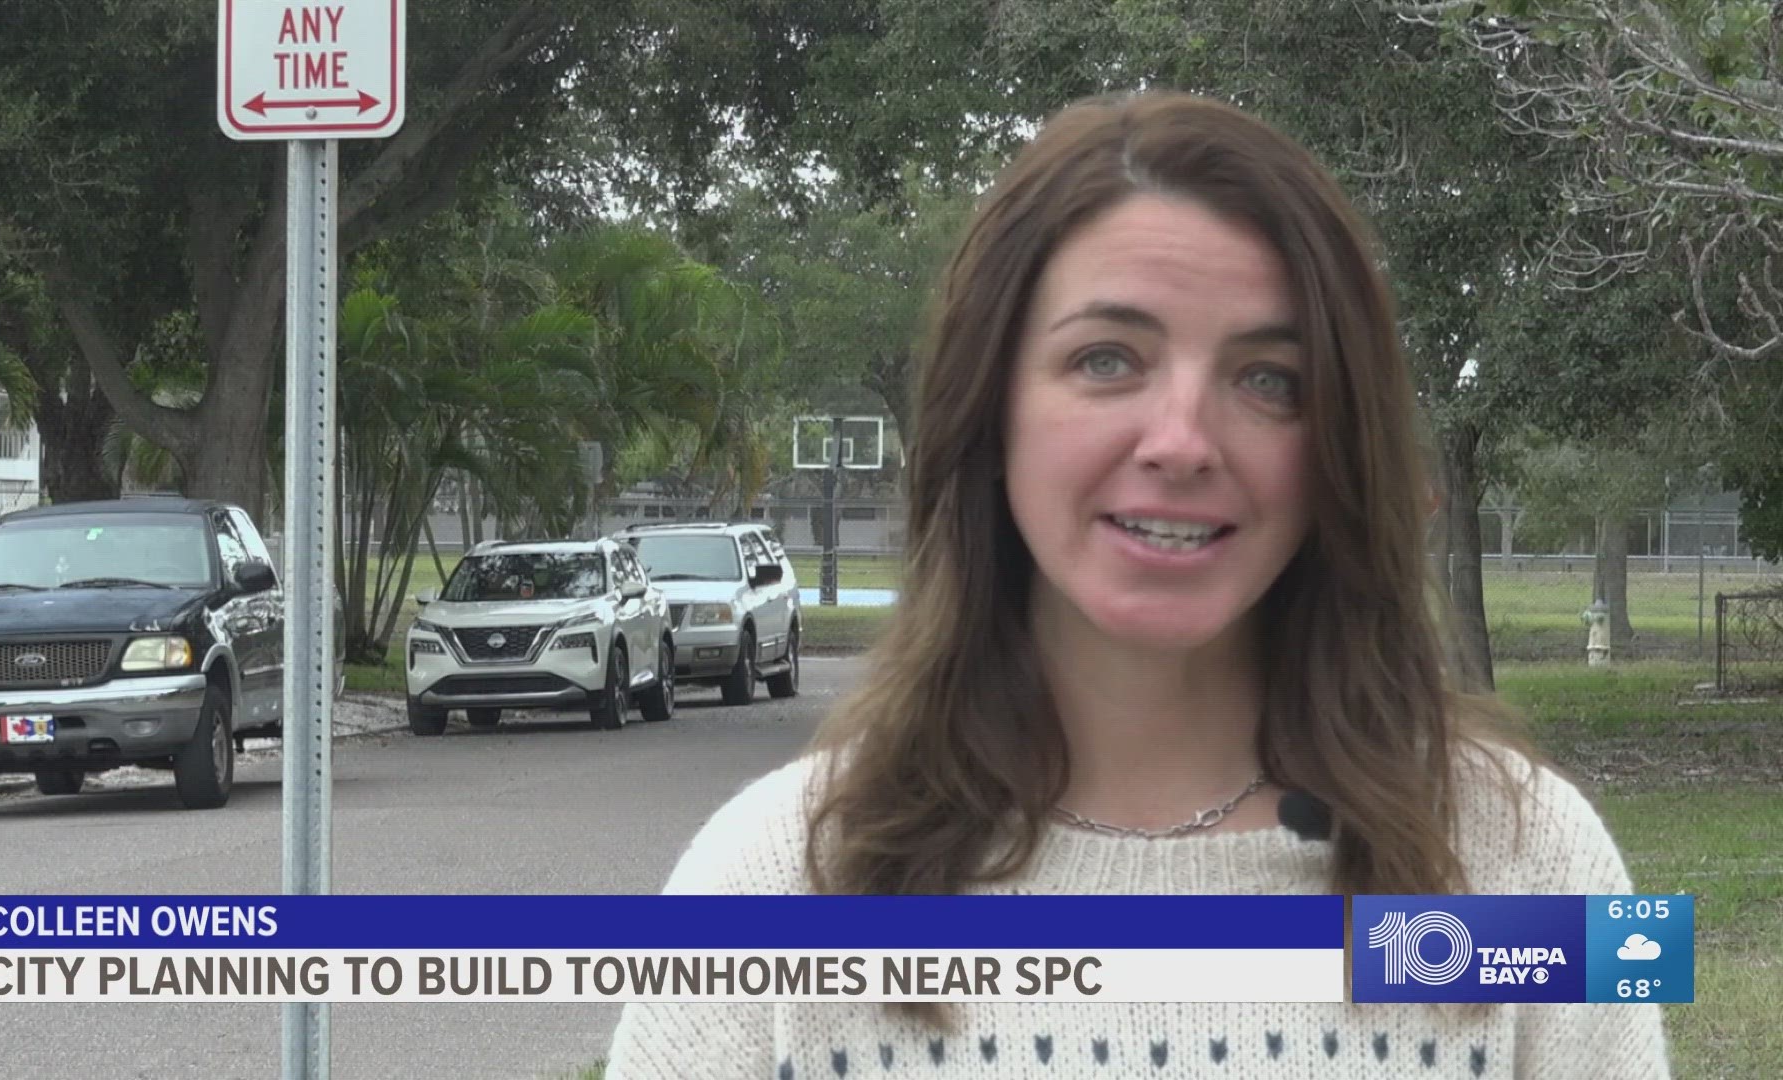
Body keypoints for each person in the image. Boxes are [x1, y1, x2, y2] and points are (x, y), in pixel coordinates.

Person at [606, 91, 1668, 1079]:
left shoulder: (1532, 868)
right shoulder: (769, 887)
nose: (1183, 441)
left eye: (1269, 380)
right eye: (1108, 359)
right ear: (991, 412)